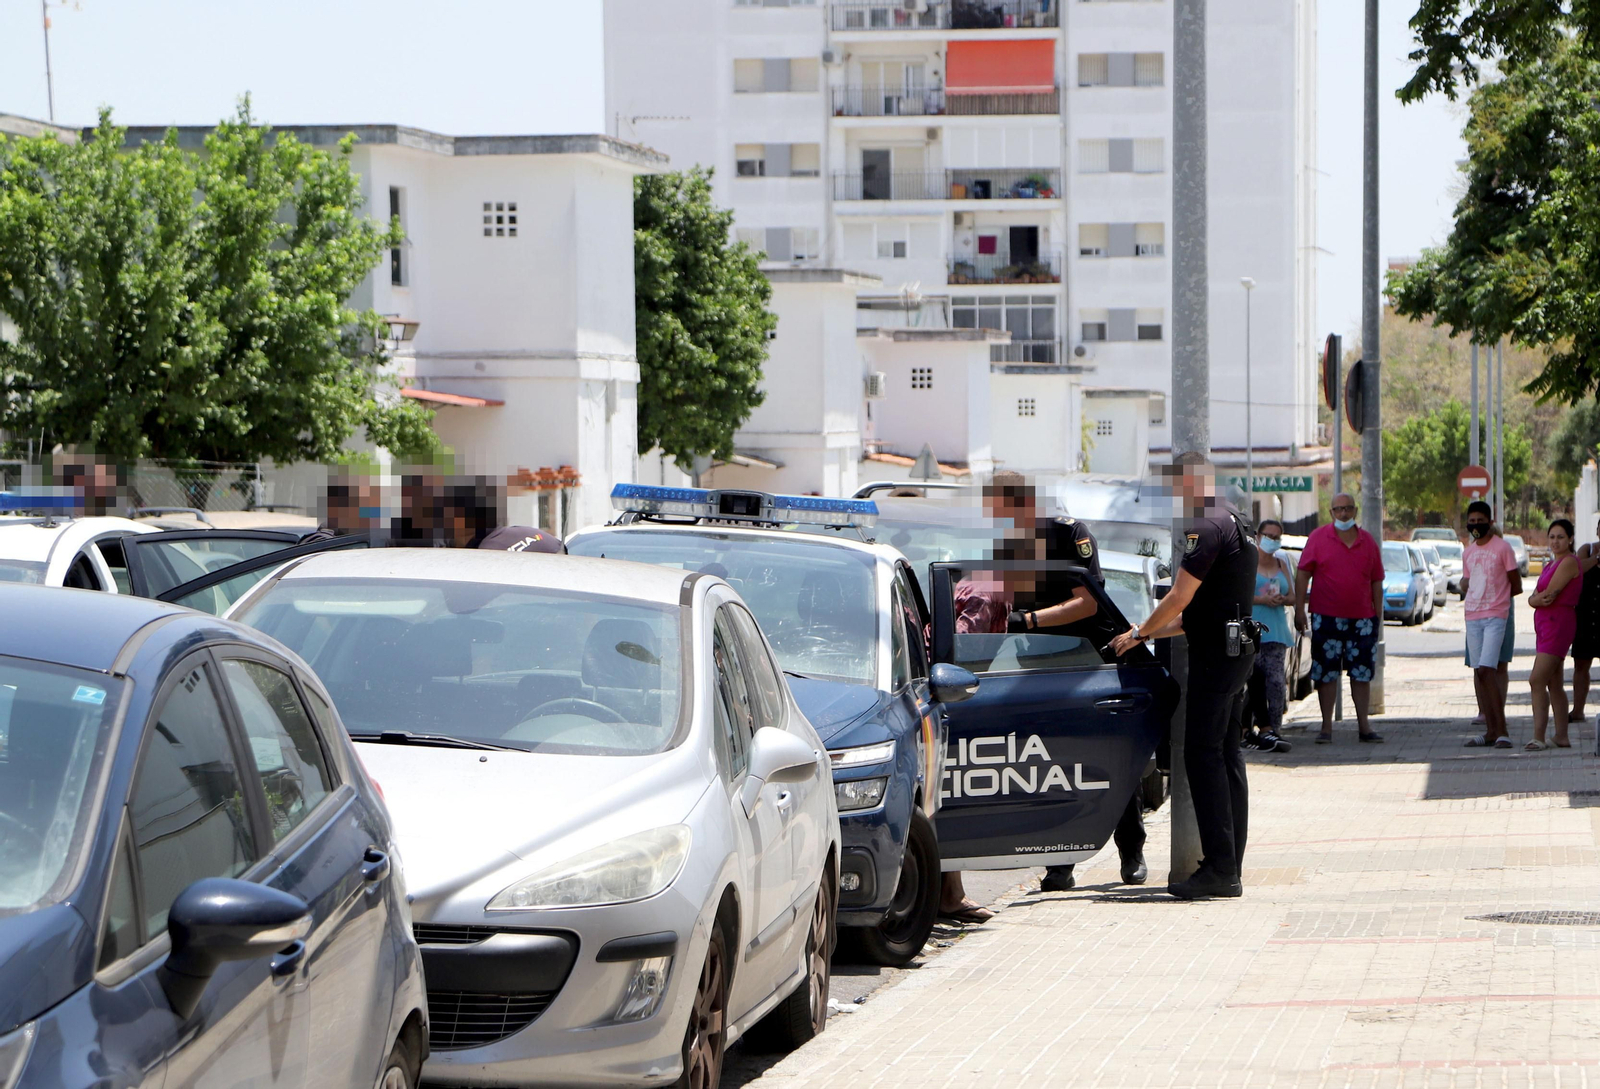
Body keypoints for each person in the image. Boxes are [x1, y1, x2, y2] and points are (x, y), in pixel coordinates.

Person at [1110, 453, 1256, 900]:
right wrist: (1145, 635)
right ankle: (1229, 860)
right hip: (1235, 650)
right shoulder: (1236, 521)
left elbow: (1178, 598)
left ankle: (1220, 868)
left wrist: (1141, 629)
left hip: (1217, 658)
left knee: (1202, 755)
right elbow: (1195, 614)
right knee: (1227, 755)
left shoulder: (1207, 526)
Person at [1293, 493, 1385, 744]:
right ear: (1331, 512)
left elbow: (1377, 580)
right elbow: (1302, 575)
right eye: (1338, 509)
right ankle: (1326, 728)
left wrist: (1377, 615)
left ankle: (1364, 727)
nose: (1343, 513)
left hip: (1363, 619)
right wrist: (1300, 609)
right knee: (1325, 673)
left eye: (1347, 509)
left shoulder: (1367, 541)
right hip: (1326, 616)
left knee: (1362, 673)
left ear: (1355, 511)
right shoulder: (1318, 538)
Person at [1460, 500, 1522, 748]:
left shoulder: (1503, 548)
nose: (1476, 526)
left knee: (1489, 669)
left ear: (1490, 522)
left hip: (1496, 616)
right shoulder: (1468, 551)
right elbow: (1467, 581)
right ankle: (1490, 731)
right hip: (1472, 617)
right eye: (1471, 522)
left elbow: (1515, 584)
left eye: (1480, 521)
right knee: (1479, 672)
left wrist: (1497, 599)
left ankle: (1502, 730)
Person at [1526, 518, 1581, 750]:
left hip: (1558, 624)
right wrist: (1534, 599)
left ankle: (1539, 736)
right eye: (1552, 537)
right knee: (1554, 682)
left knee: (1536, 679)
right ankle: (1561, 735)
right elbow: (1535, 596)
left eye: (1560, 537)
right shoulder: (1551, 564)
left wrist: (1534, 600)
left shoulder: (1569, 562)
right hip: (1546, 625)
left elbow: (1548, 595)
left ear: (1570, 539)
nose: (1555, 541)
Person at [1245, 519, 1294, 753]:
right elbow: (1239, 595)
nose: (1272, 541)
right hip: (1252, 632)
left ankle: (1273, 729)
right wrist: (1262, 599)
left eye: (1277, 537)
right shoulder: (1247, 562)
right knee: (1251, 682)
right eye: (1268, 536)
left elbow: (1293, 595)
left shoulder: (1282, 563)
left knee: (1275, 682)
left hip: (1276, 631)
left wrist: (1283, 599)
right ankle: (1249, 729)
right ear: (1258, 535)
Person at [1570, 517, 1600, 722]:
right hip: (1586, 615)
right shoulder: (1587, 550)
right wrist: (1597, 558)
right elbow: (1578, 569)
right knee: (1581, 665)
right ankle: (1578, 710)